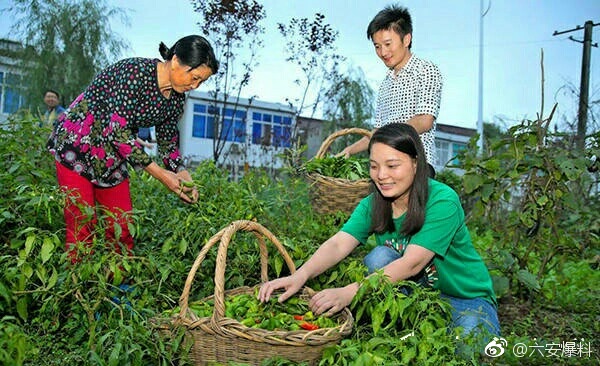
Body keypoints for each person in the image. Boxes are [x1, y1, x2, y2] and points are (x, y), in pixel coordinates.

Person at [259, 123, 499, 344]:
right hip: (415, 297)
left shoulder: (442, 200)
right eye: (374, 166)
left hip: (465, 300)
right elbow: (338, 244)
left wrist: (349, 292)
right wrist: (301, 275)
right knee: (379, 258)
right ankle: (405, 325)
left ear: (416, 163)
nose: (381, 175)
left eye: (392, 165)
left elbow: (412, 264)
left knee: (469, 350)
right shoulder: (373, 203)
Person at [47, 35, 219, 264]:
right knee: (82, 225)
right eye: (194, 77)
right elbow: (117, 132)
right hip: (77, 146)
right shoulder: (134, 73)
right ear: (176, 60)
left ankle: (120, 289)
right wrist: (161, 175)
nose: (194, 86)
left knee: (121, 227)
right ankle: (78, 290)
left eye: (201, 82)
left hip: (112, 156)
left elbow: (168, 142)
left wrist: (182, 174)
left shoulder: (176, 99)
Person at [340, 4, 442, 178]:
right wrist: (349, 150)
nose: (383, 52)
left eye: (388, 44)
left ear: (406, 39)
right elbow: (377, 132)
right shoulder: (386, 84)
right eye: (377, 46)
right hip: (386, 168)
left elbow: (425, 121)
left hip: (415, 164)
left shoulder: (426, 70)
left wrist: (387, 136)